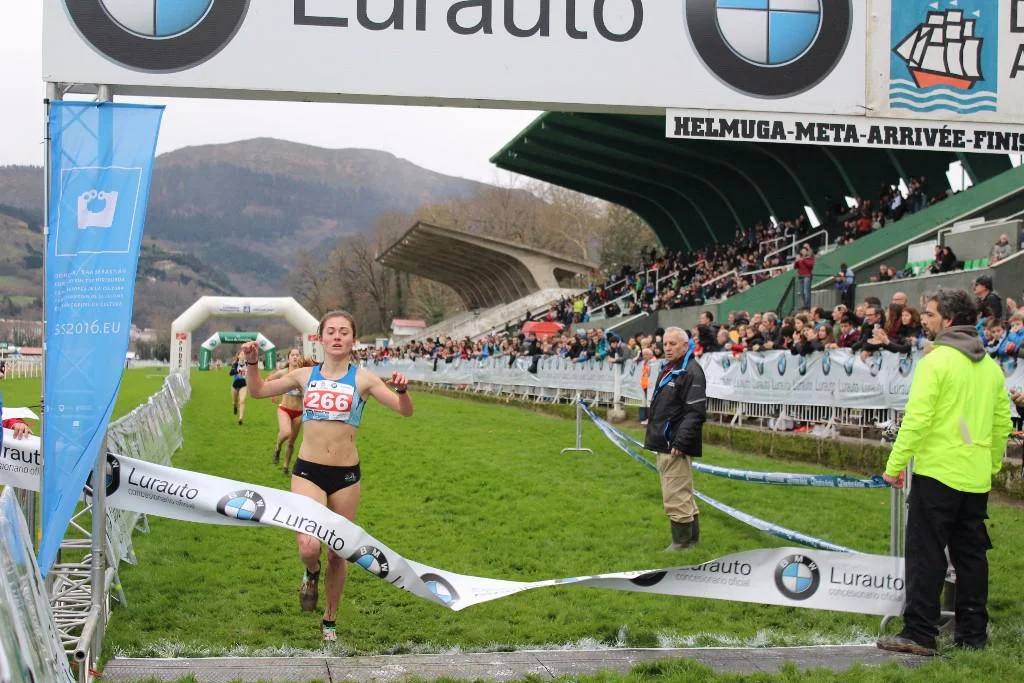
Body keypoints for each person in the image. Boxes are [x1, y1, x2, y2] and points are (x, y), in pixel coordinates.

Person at [242, 310, 412, 643]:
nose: (337, 336)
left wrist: (403, 392)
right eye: (330, 331)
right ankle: (311, 571)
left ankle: (330, 619)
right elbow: (259, 390)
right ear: (320, 338)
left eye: (344, 332)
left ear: (353, 339)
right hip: (308, 471)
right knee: (308, 545)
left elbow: (404, 411)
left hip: (346, 477)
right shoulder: (305, 375)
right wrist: (251, 362)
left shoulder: (364, 380)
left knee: (339, 552)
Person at [877, 289, 1011, 657]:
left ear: (948, 321)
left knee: (927, 554)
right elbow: (1003, 422)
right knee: (971, 556)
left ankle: (920, 632)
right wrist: (990, 463)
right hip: (975, 477)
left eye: (931, 315)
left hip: (937, 474)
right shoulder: (990, 367)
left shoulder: (935, 362)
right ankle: (972, 635)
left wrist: (894, 465)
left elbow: (917, 420)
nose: (925, 320)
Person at [643, 327, 707, 551]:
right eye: (665, 344)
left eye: (673, 344)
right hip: (665, 441)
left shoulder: (691, 371)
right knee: (681, 492)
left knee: (675, 494)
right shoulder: (671, 368)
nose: (667, 348)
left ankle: (681, 543)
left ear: (685, 345)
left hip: (674, 445)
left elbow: (695, 412)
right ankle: (691, 541)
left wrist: (680, 442)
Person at [266, 348, 315, 474]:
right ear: (288, 358)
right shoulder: (284, 372)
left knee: (291, 443)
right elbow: (268, 380)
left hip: (299, 412)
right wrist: (272, 393)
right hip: (284, 409)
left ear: (300, 357)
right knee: (286, 432)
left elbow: (311, 390)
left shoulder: (304, 374)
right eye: (292, 355)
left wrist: (303, 390)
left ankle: (286, 466)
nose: (295, 357)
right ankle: (277, 447)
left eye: (297, 355)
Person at [228, 350, 249, 425]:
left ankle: (240, 418)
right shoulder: (235, 364)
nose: (243, 355)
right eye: (241, 354)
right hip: (235, 385)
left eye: (244, 354)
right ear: (238, 356)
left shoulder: (247, 364)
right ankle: (235, 406)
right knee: (235, 402)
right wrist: (238, 371)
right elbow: (230, 373)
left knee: (242, 401)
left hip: (243, 385)